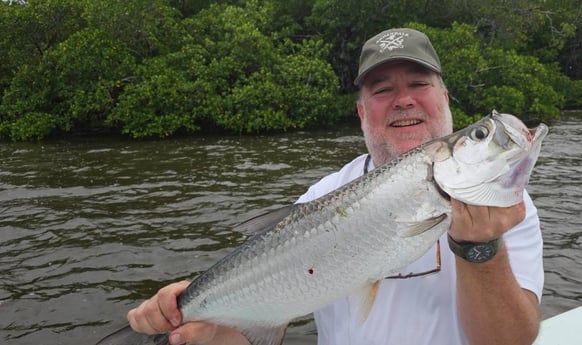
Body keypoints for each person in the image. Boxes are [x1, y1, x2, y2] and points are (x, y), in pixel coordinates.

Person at [126, 28, 544, 345]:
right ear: (362, 112)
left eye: (419, 84)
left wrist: (481, 251)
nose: (403, 100)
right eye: (383, 90)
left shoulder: (509, 207)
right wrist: (198, 322)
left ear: (446, 98)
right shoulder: (320, 197)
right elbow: (264, 314)